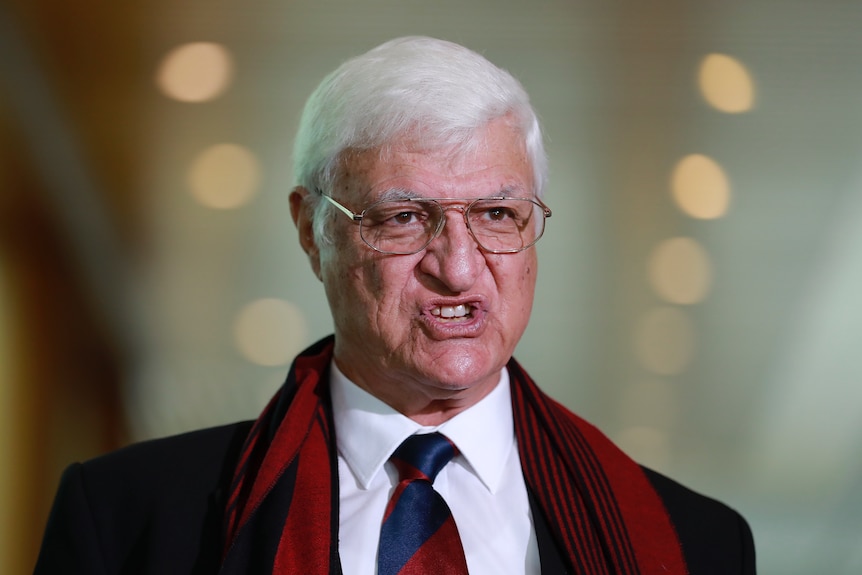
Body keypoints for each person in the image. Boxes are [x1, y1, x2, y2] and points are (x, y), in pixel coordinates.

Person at [34, 36, 755, 575]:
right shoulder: (132, 520)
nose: (459, 266)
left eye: (498, 214)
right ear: (311, 232)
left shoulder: (694, 542)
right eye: (403, 217)